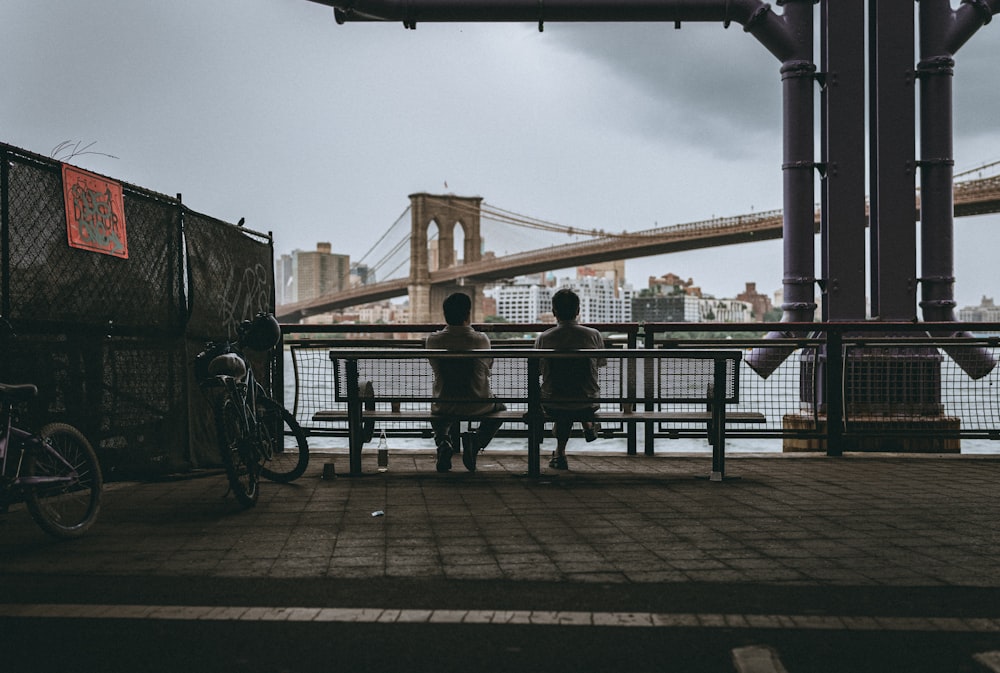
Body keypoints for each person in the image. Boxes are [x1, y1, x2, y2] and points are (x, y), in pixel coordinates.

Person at [426, 292, 506, 473]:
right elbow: (488, 368)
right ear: (468, 314)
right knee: (501, 408)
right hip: (477, 405)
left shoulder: (433, 340)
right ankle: (476, 442)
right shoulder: (481, 339)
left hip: (444, 404)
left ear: (445, 314)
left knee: (437, 407)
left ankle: (443, 442)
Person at [534, 288, 606, 470]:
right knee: (576, 394)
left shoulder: (544, 338)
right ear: (578, 311)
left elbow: (538, 369)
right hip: (587, 401)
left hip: (553, 402)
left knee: (562, 401)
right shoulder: (593, 335)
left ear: (554, 312)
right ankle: (588, 425)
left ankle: (560, 454)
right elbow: (600, 363)